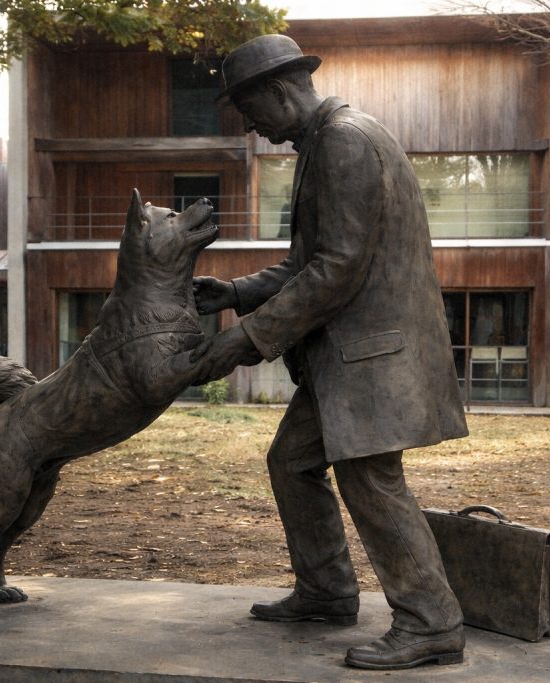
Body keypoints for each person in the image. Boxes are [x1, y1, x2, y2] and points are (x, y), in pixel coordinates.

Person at [190, 34, 469, 671]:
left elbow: (336, 271)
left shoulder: (344, 140)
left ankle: (431, 622)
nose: (254, 128)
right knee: (292, 462)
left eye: (250, 111)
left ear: (278, 91)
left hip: (371, 358)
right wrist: (235, 292)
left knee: (371, 480)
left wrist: (247, 338)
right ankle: (326, 591)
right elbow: (306, 264)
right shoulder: (325, 141)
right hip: (350, 361)